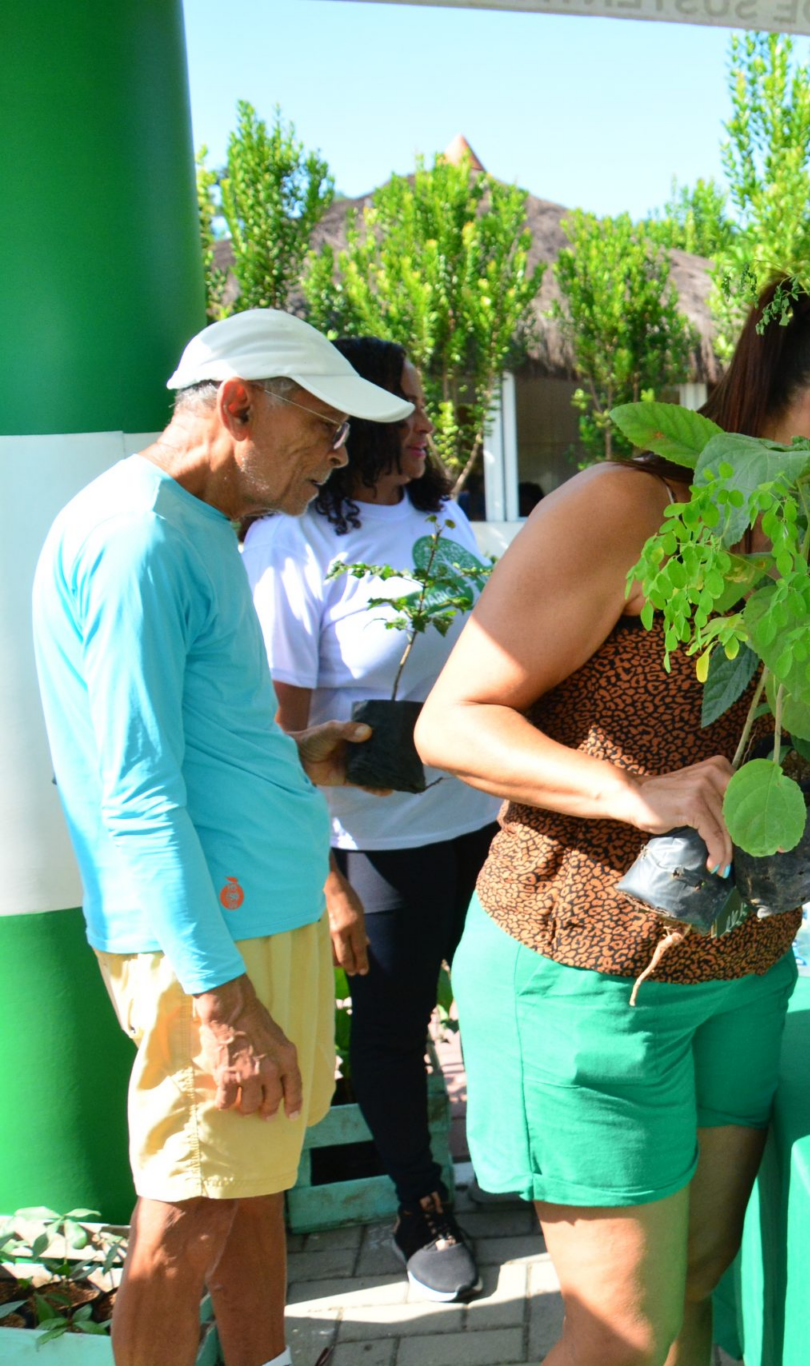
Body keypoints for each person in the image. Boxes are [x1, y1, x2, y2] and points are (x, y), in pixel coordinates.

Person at [417, 280, 810, 1366]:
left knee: (694, 1285)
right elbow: (450, 726)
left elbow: (790, 721)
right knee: (619, 1337)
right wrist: (631, 791)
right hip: (587, 973)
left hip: (742, 963)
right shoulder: (629, 509)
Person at [31, 309, 415, 1366]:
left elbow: (195, 749)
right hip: (214, 941)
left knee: (248, 1191)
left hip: (248, 919)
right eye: (326, 429)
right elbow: (135, 787)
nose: (338, 459)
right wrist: (221, 1001)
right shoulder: (137, 537)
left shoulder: (191, 526)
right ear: (239, 404)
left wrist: (305, 755)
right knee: (187, 1213)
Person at [241, 337, 500, 1303]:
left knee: (499, 994)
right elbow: (276, 735)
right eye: (414, 407)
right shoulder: (294, 541)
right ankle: (418, 1205)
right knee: (394, 1033)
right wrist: (326, 879)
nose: (431, 423)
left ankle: (506, 1164)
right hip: (369, 841)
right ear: (355, 424)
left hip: (479, 817)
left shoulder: (447, 521)